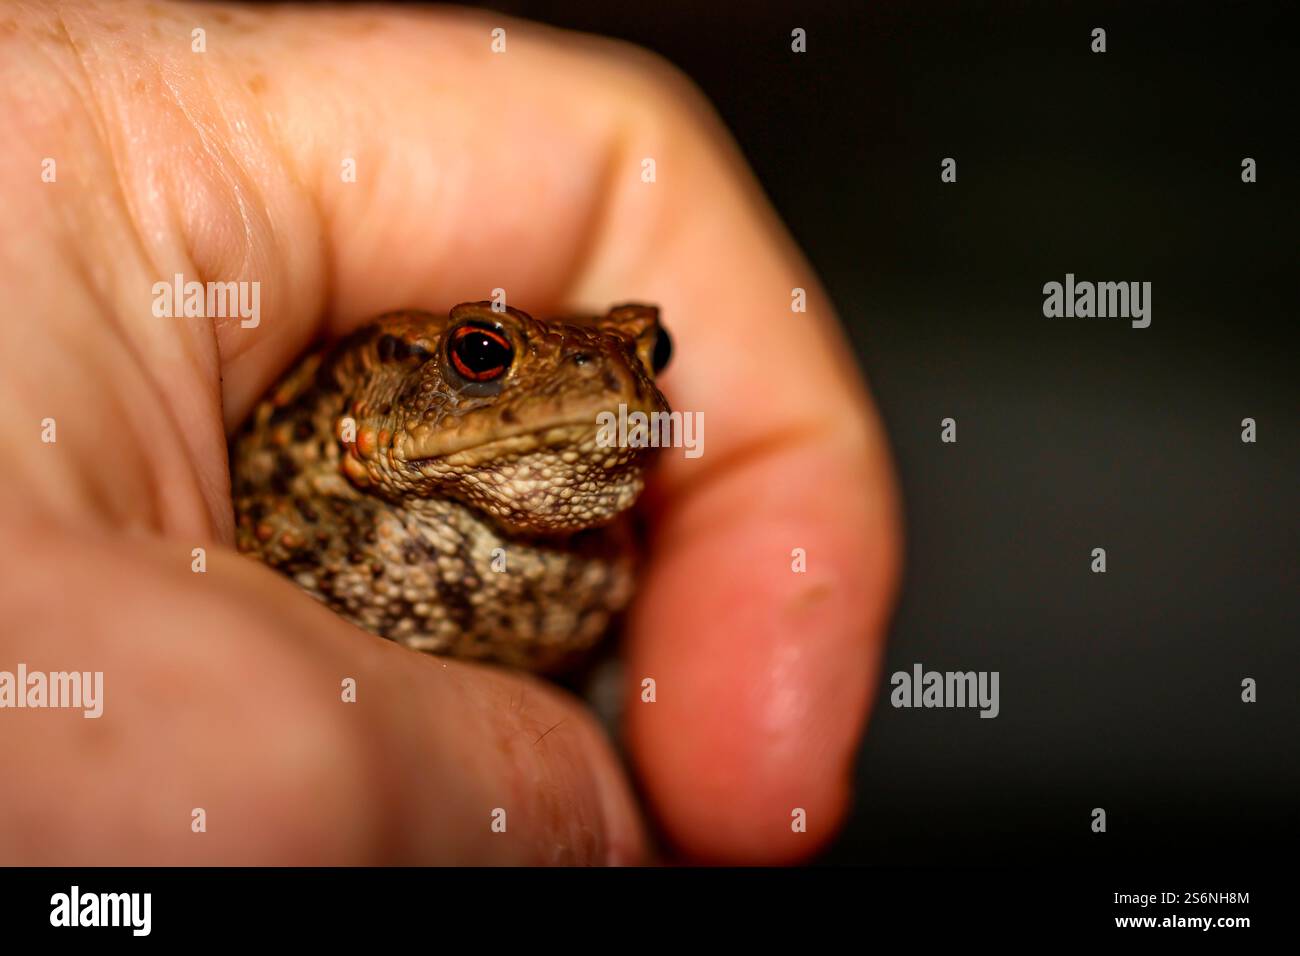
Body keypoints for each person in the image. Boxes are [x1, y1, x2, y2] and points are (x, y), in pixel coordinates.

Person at [0, 0, 899, 864]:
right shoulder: (308, 504)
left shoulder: (613, 547)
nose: (605, 377)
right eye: (481, 356)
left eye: (645, 352)